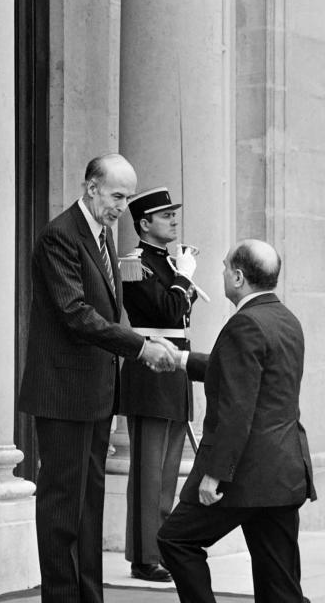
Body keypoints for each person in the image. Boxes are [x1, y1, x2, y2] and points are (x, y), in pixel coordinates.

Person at [17, 153, 176, 603]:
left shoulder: (102, 235)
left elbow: (106, 310)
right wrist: (140, 346)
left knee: (89, 508)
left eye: (126, 198)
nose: (122, 206)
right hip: (63, 393)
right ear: (90, 188)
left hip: (95, 391)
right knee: (63, 508)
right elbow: (75, 314)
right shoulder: (59, 236)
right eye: (116, 196)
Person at [157, 239, 316, 603]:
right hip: (282, 472)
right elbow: (240, 375)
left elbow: (236, 406)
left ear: (239, 277)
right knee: (280, 587)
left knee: (176, 540)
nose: (223, 271)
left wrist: (215, 472)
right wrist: (181, 360)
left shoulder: (244, 324)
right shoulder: (285, 319)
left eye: (226, 266)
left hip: (244, 473)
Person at [119, 187, 198, 582]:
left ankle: (161, 548)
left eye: (173, 214)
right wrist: (183, 278)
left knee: (168, 472)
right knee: (149, 471)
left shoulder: (167, 264)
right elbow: (168, 308)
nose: (173, 220)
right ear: (145, 224)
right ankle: (144, 555)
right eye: (165, 215)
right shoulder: (135, 265)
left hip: (175, 370)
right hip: (149, 374)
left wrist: (180, 277)